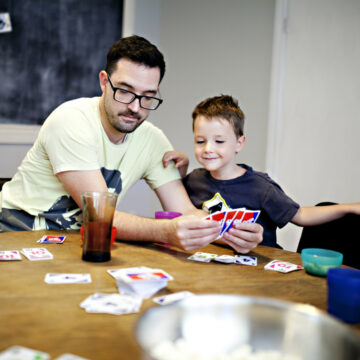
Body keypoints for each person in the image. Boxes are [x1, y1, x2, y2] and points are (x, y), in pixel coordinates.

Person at [0, 36, 263, 252]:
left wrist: (230, 233)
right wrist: (166, 231)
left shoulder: (153, 140)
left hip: (78, 247)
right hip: (13, 237)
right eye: (125, 91)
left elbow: (183, 211)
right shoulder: (71, 120)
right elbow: (99, 214)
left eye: (148, 96)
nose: (135, 107)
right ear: (104, 82)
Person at [163, 94, 360, 248]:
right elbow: (180, 205)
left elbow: (300, 215)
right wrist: (183, 170)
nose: (208, 149)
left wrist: (348, 208)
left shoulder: (260, 186)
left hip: (258, 265)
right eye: (200, 141)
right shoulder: (195, 179)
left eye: (219, 141)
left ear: (239, 143)